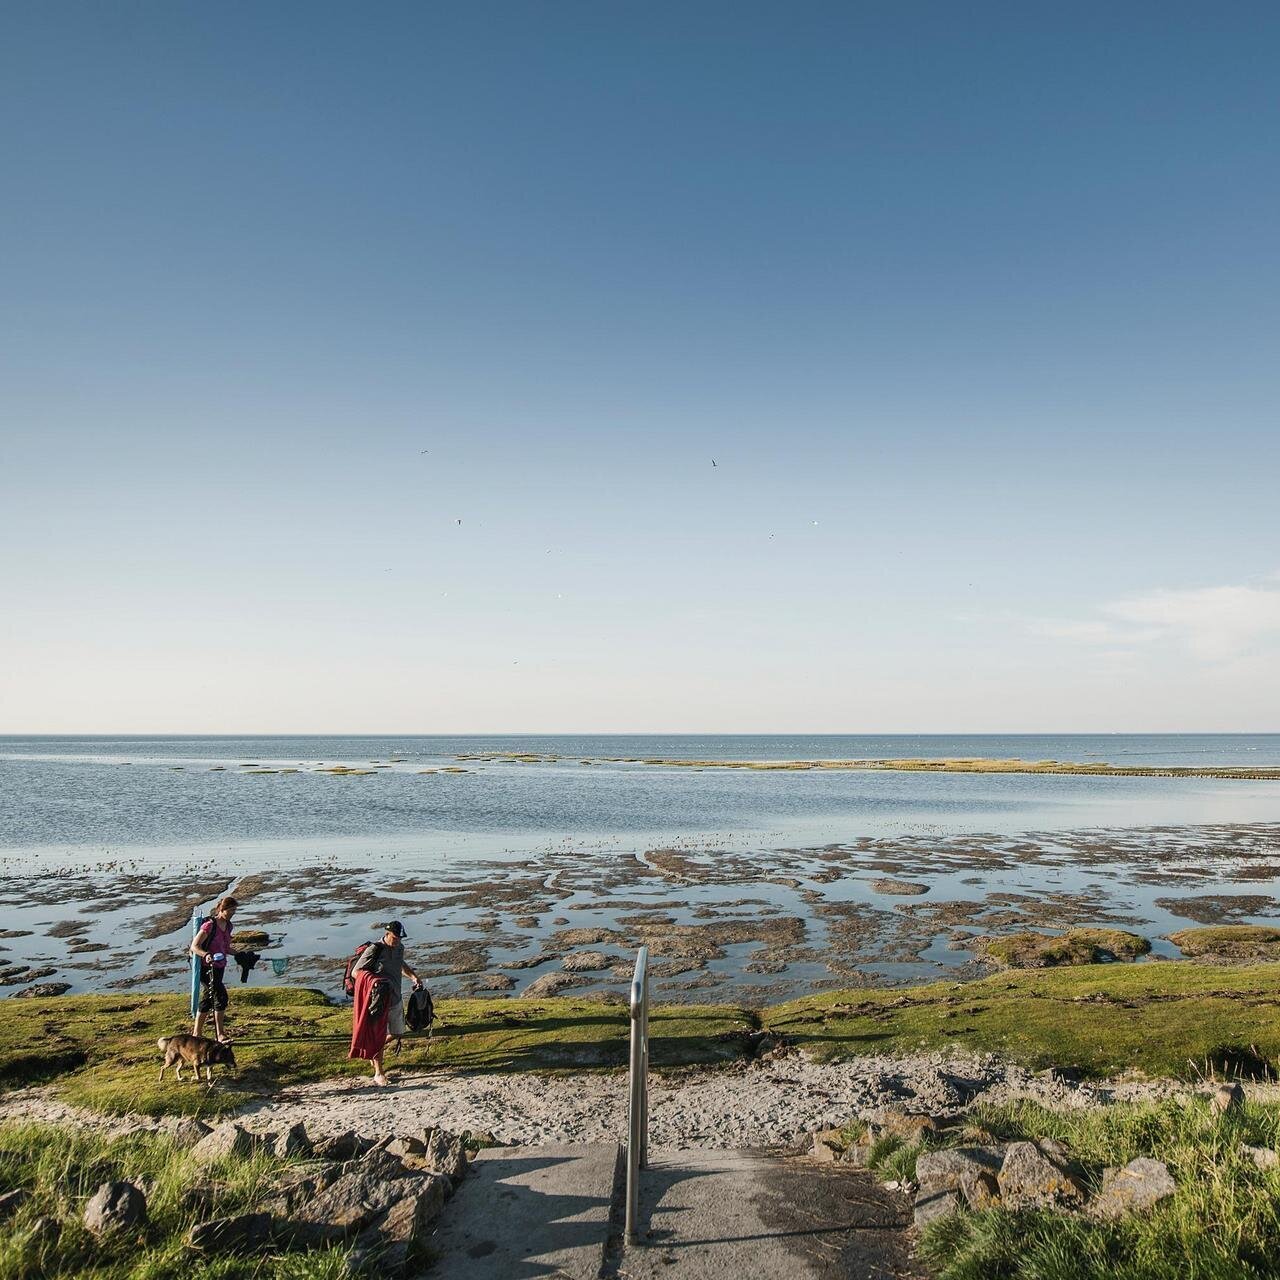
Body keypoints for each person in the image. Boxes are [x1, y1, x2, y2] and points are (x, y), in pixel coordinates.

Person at [348, 921, 420, 1086]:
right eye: (395, 938)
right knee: (379, 1035)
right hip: (378, 1000)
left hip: (395, 997)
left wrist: (414, 977)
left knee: (398, 1031)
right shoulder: (374, 949)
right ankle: (379, 1073)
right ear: (387, 934)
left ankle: (372, 1050)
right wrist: (375, 981)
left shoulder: (399, 948)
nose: (397, 941)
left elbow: (400, 964)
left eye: (400, 938)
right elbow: (356, 972)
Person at [191, 896, 237, 1043]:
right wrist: (206, 955)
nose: (232, 913)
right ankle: (220, 1034)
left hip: (220, 967)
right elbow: (194, 946)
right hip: (206, 968)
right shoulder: (210, 926)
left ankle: (197, 1034)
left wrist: (241, 954)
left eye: (234, 910)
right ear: (221, 909)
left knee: (208, 998)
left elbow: (226, 948)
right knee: (221, 997)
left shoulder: (229, 926)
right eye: (230, 910)